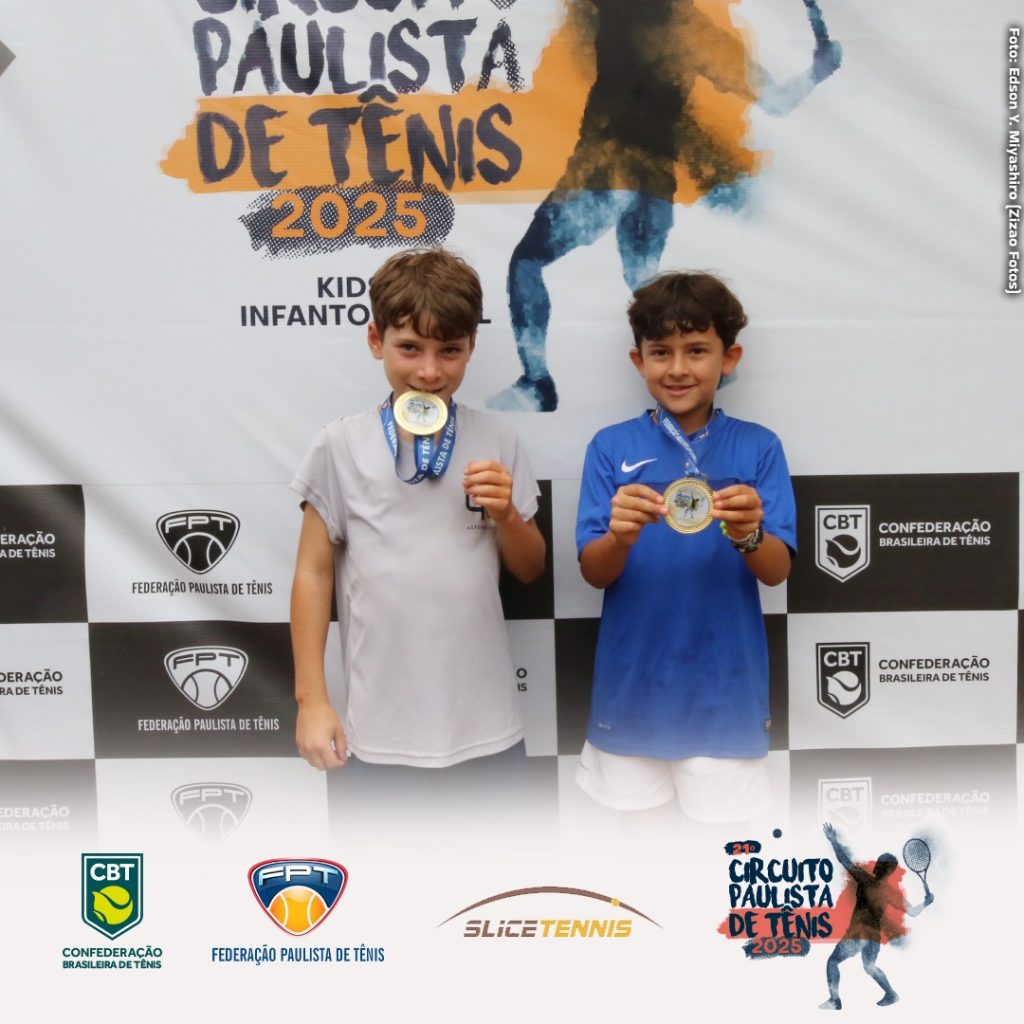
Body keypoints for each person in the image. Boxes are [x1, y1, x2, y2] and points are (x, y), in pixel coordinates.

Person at [488, 0, 842, 412]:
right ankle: (712, 369)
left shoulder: (621, 8)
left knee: (527, 263)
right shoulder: (700, 33)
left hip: (606, 170)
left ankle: (536, 384)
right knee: (645, 286)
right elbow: (778, 101)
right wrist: (818, 71)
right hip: (654, 184)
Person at [289, 248, 546, 776]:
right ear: (375, 340)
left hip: (487, 727)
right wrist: (311, 701)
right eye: (409, 348)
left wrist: (507, 517)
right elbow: (312, 573)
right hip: (378, 733)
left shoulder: (497, 439)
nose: (429, 371)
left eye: (449, 350)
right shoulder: (341, 442)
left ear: (472, 347)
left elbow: (530, 569)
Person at [573, 271, 795, 823]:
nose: (677, 368)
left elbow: (776, 571)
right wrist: (619, 538)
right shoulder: (610, 447)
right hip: (631, 693)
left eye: (696, 350)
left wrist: (748, 535)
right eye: (660, 352)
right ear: (638, 361)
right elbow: (594, 572)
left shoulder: (760, 447)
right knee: (636, 856)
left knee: (724, 858)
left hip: (726, 697)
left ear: (729, 357)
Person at [819, 823, 934, 1009]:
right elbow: (913, 912)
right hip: (873, 937)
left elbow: (844, 860)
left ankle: (835, 1000)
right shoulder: (891, 894)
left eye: (879, 862)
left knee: (833, 961)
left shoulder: (865, 880)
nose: (876, 864)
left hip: (858, 933)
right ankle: (891, 994)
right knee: (869, 966)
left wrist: (833, 840)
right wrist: (926, 903)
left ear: (881, 867)